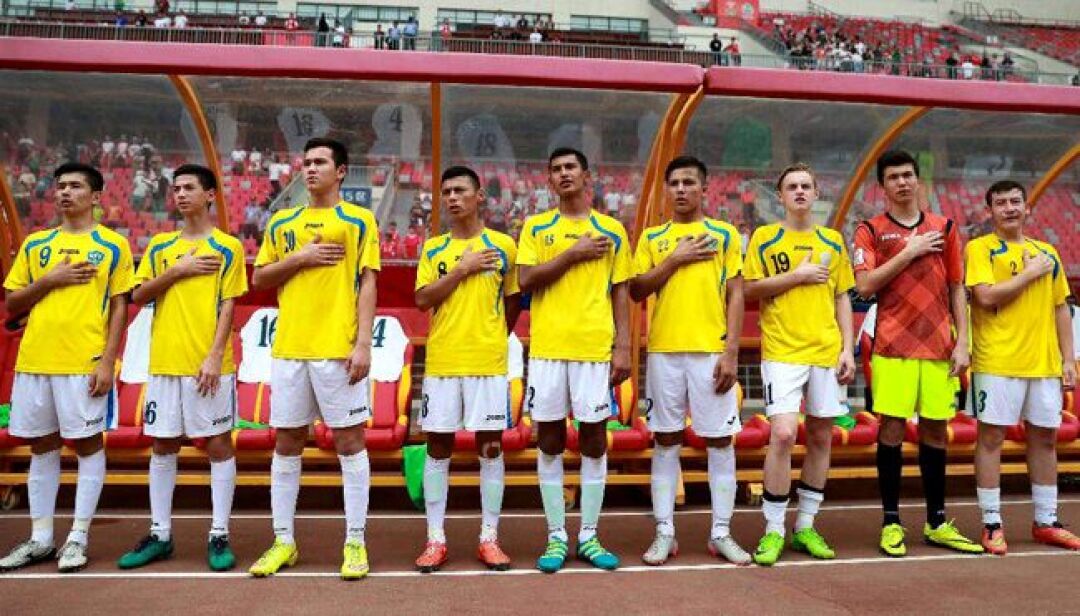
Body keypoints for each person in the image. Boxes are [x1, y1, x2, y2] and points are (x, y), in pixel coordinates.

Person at [248, 138, 380, 579]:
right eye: (306, 162)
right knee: (287, 443)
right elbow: (260, 278)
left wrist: (363, 344)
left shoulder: (358, 220)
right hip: (290, 348)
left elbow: (368, 282)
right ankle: (283, 541)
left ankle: (355, 541)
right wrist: (301, 257)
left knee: (349, 442)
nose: (310, 169)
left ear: (340, 171)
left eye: (320, 162)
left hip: (337, 349)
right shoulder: (283, 222)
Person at [0, 163, 134, 573]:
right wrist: (51, 280)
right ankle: (41, 538)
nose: (65, 192)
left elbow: (120, 307)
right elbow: (13, 303)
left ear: (95, 197)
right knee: (42, 446)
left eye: (75, 186)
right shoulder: (37, 245)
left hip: (83, 363)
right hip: (35, 361)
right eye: (60, 186)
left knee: (87, 444)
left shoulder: (112, 246)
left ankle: (78, 537)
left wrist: (108, 361)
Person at [853, 150, 983, 557]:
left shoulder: (945, 227)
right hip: (892, 345)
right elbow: (865, 286)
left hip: (939, 346)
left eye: (908, 175)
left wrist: (963, 341)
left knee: (935, 431)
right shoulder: (869, 230)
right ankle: (891, 522)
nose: (902, 182)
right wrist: (909, 251)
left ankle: (937, 522)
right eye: (894, 177)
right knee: (891, 429)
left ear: (918, 180)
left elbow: (957, 286)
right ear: (882, 186)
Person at [116, 165, 246, 571]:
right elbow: (139, 295)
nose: (181, 194)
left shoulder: (228, 247)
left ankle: (219, 533)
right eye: (176, 189)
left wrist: (214, 355)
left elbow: (229, 304)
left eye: (190, 187)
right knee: (162, 445)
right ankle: (160, 534)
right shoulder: (160, 247)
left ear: (210, 195)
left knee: (218, 444)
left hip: (208, 365)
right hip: (165, 363)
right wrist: (177, 271)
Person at [518, 148, 632, 573]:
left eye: (571, 167)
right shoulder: (536, 227)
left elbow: (621, 291)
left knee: (594, 439)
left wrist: (623, 347)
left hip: (593, 349)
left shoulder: (612, 230)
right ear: (549, 180)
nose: (564, 173)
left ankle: (588, 534)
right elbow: (526, 280)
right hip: (548, 349)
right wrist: (573, 253)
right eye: (556, 169)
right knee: (549, 440)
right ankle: (555, 535)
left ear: (587, 176)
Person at [630, 156, 748, 566]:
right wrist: (674, 259)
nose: (681, 189)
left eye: (689, 182)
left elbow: (737, 293)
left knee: (720, 440)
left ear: (704, 188)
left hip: (711, 352)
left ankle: (721, 533)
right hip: (664, 351)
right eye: (674, 183)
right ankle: (664, 532)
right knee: (666, 440)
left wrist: (731, 351)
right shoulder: (653, 238)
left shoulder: (724, 234)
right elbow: (637, 289)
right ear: (666, 189)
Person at [744, 163, 855, 565]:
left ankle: (805, 525)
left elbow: (842, 296)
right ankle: (773, 529)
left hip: (826, 350)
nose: (800, 191)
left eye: (806, 185)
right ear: (781, 196)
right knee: (784, 434)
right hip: (783, 351)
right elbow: (750, 289)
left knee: (822, 437)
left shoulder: (832, 241)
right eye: (792, 186)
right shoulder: (765, 238)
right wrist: (797, 275)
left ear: (816, 193)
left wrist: (847, 348)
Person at [412, 166, 521, 572]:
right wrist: (462, 269)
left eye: (460, 190)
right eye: (446, 192)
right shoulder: (434, 249)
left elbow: (513, 301)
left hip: (487, 363)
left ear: (480, 197)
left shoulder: (504, 246)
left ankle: (489, 538)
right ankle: (435, 539)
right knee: (437, 448)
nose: (452, 198)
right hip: (443, 361)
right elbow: (423, 300)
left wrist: (492, 337)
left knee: (490, 448)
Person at [966, 180, 1080, 554]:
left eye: (1016, 201)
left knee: (1045, 439)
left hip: (1043, 363)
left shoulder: (1046, 252)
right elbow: (984, 296)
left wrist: (1068, 359)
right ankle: (991, 523)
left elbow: (1060, 307)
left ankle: (1046, 521)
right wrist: (1030, 274)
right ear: (990, 211)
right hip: (997, 360)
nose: (1010, 208)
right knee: (991, 438)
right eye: (1001, 203)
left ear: (1027, 208)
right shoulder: (980, 248)